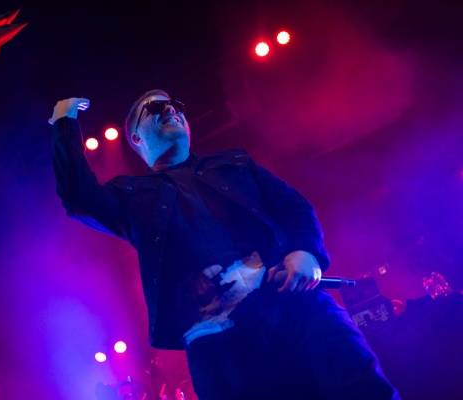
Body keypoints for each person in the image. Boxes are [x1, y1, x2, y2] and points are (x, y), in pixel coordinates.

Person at [49, 90, 400, 399]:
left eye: (174, 104)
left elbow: (293, 207)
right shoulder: (132, 195)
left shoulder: (235, 163)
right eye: (154, 108)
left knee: (362, 390)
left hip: (295, 306)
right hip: (219, 344)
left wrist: (305, 252)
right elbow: (79, 198)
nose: (170, 109)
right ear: (137, 139)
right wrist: (64, 121)